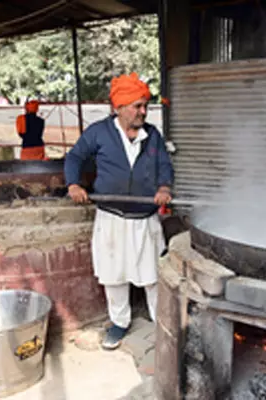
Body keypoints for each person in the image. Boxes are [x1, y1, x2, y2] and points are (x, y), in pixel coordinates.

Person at [64, 72, 174, 350]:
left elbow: (164, 165)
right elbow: (75, 156)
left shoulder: (152, 135)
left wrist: (164, 187)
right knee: (113, 275)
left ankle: (161, 322)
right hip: (111, 217)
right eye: (137, 106)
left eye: (144, 106)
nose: (143, 111)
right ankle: (120, 322)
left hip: (144, 218)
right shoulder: (99, 132)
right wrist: (74, 184)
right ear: (119, 107)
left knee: (152, 276)